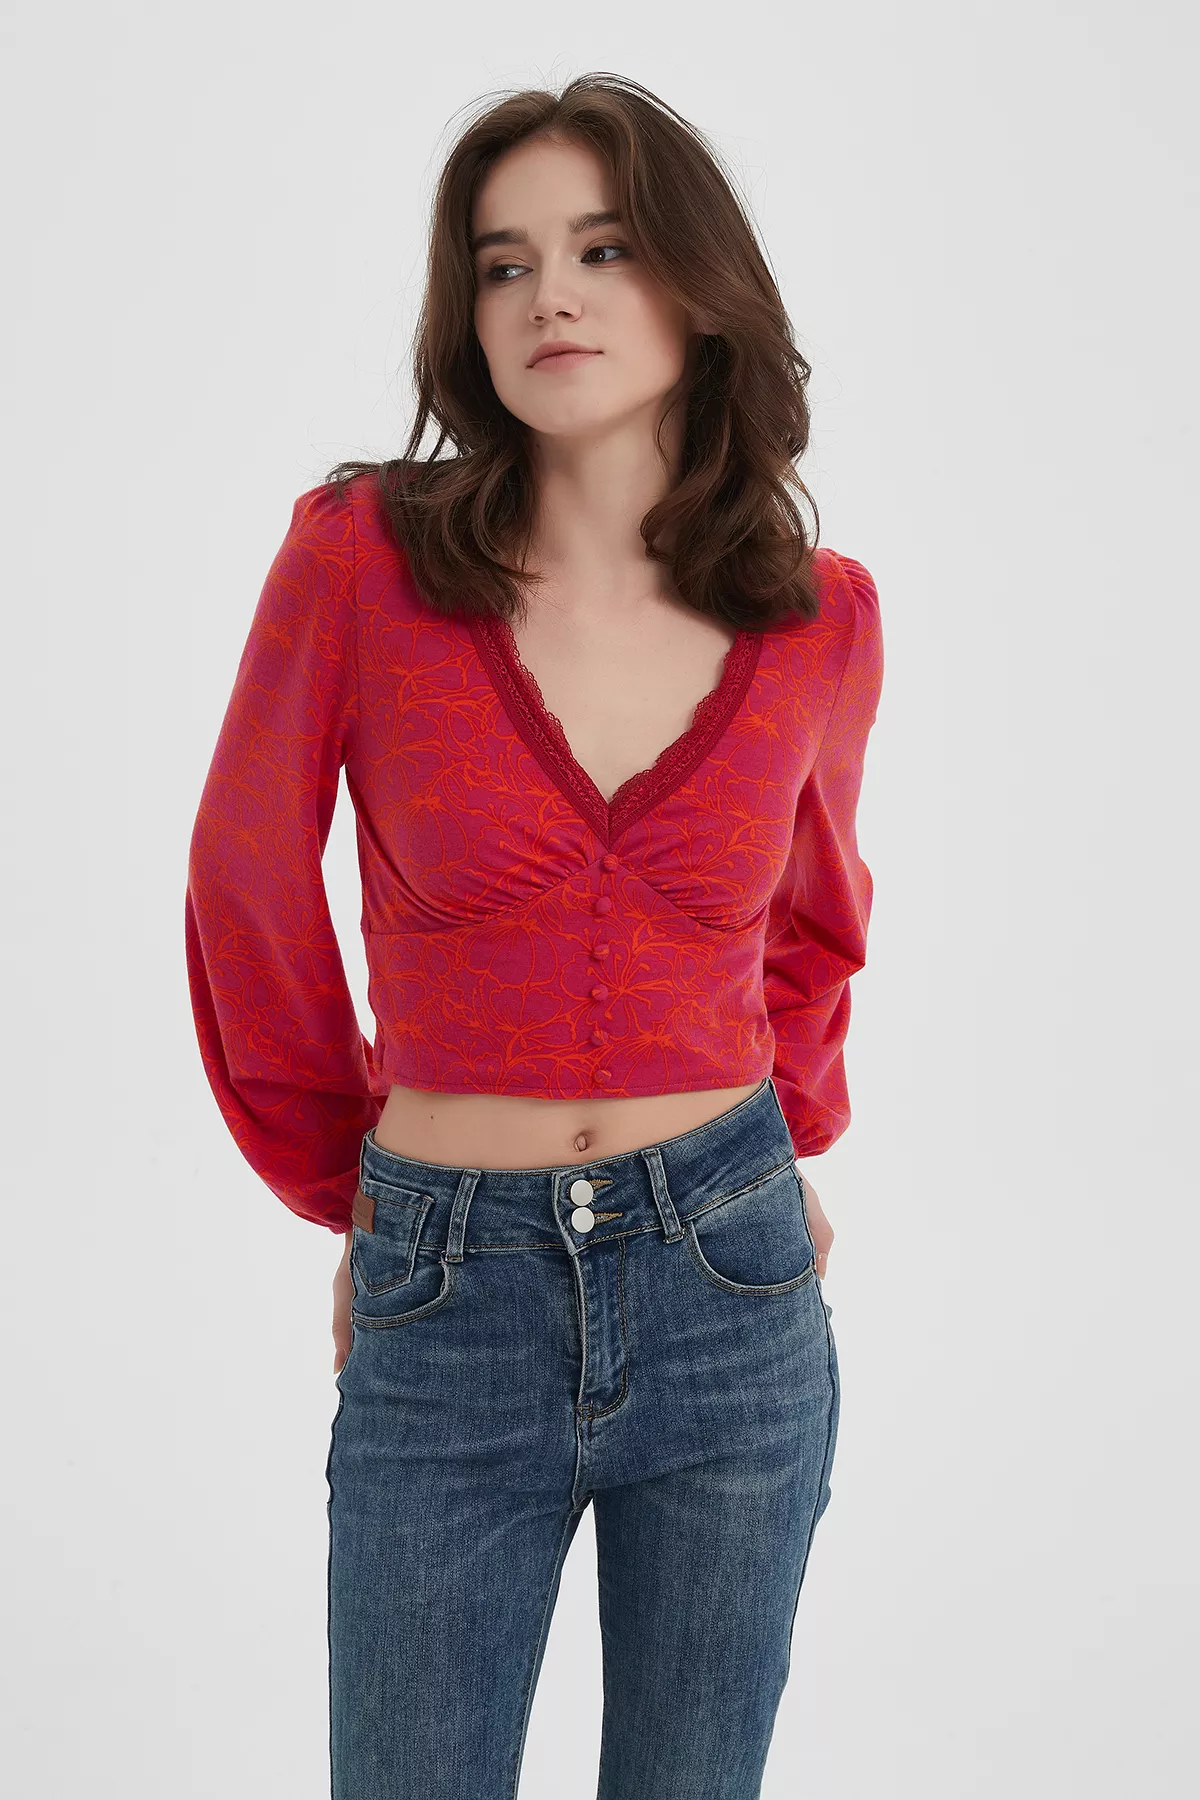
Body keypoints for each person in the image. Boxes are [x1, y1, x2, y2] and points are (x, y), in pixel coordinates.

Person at [185, 71, 883, 1800]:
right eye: (504, 264)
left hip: (733, 1289)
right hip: (449, 1296)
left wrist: (784, 1143)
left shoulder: (818, 617)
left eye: (602, 248)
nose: (548, 295)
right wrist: (366, 1193)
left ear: (700, 288)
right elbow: (246, 887)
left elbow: (814, 921)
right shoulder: (361, 558)